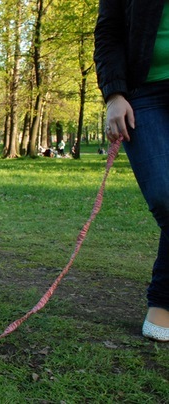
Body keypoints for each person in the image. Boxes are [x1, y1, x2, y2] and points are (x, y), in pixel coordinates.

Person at [94, 0, 169, 342]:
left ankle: (162, 302)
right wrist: (114, 93)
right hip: (144, 92)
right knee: (164, 195)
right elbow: (109, 31)